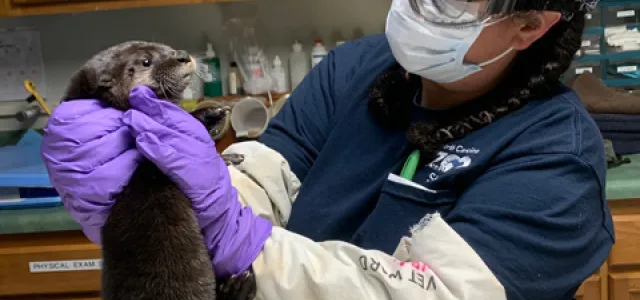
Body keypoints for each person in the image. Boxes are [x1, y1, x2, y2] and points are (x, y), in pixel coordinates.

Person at [41, 0, 614, 299]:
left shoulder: (554, 157)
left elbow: (422, 296)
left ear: (528, 26)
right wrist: (164, 203)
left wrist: (236, 243)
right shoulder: (356, 68)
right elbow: (268, 174)